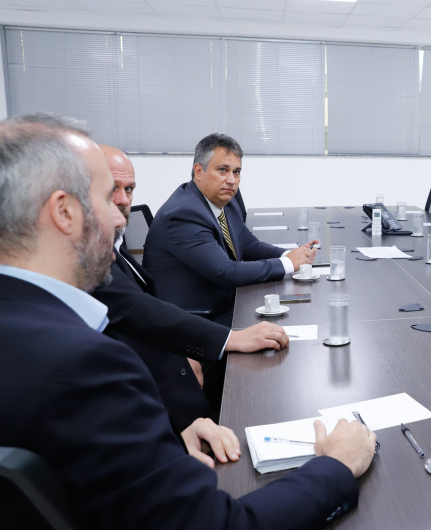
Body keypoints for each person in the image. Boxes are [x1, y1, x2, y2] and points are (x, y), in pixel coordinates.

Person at [0, 113, 376, 529]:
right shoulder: (86, 368)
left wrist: (161, 443)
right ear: (65, 212)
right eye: (109, 197)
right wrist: (337, 465)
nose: (122, 217)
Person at [92, 145, 292, 428]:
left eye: (130, 189)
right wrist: (225, 340)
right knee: (263, 383)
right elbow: (139, 310)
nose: (122, 202)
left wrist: (288, 256)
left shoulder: (114, 239)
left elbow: (245, 243)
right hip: (161, 364)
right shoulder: (180, 213)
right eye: (111, 189)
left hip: (171, 339)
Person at [143, 133, 318, 326]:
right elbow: (225, 273)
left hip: (226, 302)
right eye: (223, 170)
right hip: (195, 319)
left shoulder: (227, 201)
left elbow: (248, 244)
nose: (231, 180)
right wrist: (286, 264)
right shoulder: (183, 214)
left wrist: (292, 255)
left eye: (236, 172)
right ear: (198, 171)